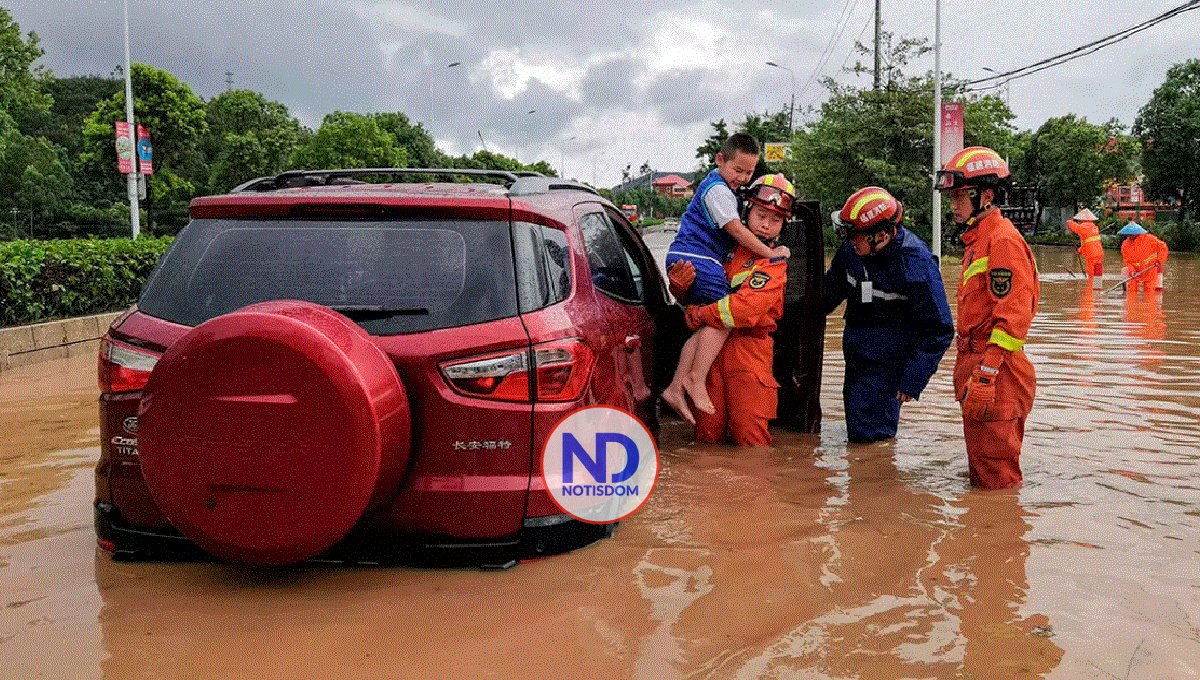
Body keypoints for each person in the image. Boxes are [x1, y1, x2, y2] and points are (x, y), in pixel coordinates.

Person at [661, 133, 790, 423]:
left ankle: (680, 384)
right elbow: (734, 231)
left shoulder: (769, 261)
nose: (766, 225)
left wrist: (696, 314)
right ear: (747, 212)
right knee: (707, 437)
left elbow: (740, 310)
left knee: (750, 437)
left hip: (747, 358)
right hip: (714, 362)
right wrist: (681, 293)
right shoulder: (730, 235)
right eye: (761, 215)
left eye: (776, 219)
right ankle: (689, 381)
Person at [936, 146, 1040, 490]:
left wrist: (987, 374)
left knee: (997, 482)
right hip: (979, 367)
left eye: (959, 196)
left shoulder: (1002, 241)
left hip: (996, 373)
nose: (953, 204)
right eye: (952, 196)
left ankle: (999, 539)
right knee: (982, 473)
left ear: (987, 195)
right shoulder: (979, 241)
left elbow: (1012, 318)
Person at [823, 187, 954, 443]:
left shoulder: (916, 265)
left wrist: (912, 380)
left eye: (854, 236)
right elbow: (826, 295)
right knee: (858, 432)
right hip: (857, 358)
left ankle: (876, 478)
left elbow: (939, 330)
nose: (849, 241)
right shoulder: (852, 251)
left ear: (881, 236)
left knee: (871, 442)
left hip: (888, 367)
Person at [1118, 221, 1168, 292]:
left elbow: (1163, 247)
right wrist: (1132, 271)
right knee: (1131, 291)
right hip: (1135, 272)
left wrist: (1159, 260)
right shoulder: (1125, 245)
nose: (1130, 235)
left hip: (1150, 269)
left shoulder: (1150, 239)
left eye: (1132, 234)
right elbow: (1128, 261)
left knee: (1150, 292)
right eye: (1128, 234)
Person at [1066, 208, 1105, 289]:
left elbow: (1076, 228)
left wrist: (1069, 222)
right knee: (1097, 270)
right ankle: (1097, 287)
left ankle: (1091, 288)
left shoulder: (1085, 226)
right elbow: (1088, 241)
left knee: (1091, 271)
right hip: (1098, 252)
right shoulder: (1093, 227)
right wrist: (1080, 250)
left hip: (1092, 253)